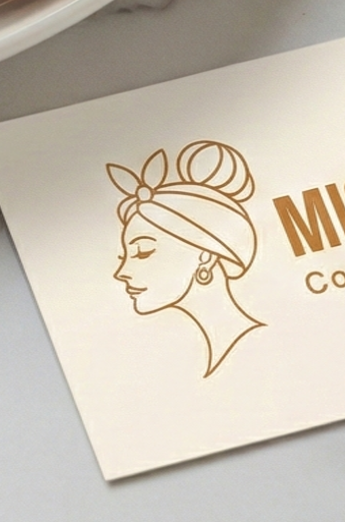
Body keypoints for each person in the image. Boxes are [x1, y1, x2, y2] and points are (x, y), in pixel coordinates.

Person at [108, 140, 266, 377]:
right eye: (125, 256)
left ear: (206, 255)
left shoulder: (259, 347)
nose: (121, 272)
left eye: (143, 251)